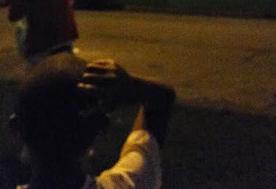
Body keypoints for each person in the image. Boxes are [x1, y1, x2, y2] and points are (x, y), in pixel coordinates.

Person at [10, 53, 175, 189]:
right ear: (103, 127)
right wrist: (131, 86)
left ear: (15, 128)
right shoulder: (127, 184)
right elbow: (162, 98)